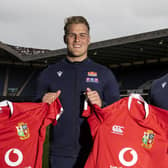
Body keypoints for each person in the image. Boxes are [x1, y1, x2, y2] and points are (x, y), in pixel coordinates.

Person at [35, 16, 120, 168]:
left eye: (82, 35)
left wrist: (102, 104)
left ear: (89, 39)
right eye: (72, 35)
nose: (77, 40)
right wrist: (41, 102)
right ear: (65, 38)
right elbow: (31, 113)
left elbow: (118, 113)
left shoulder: (104, 73)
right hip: (60, 154)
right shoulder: (48, 73)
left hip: (96, 151)